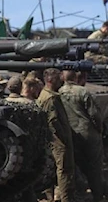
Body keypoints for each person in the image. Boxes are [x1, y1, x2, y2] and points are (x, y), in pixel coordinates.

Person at [58, 70, 108, 202]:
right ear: (75, 78)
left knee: (76, 165)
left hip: (71, 134)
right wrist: (99, 129)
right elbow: (95, 114)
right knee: (95, 166)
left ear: (63, 78)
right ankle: (98, 195)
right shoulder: (83, 92)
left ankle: (78, 193)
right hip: (89, 133)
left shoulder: (58, 93)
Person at [36, 68, 76, 202]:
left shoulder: (48, 95)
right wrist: (63, 138)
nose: (61, 81)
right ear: (50, 80)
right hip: (58, 141)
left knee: (55, 170)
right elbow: (52, 121)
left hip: (55, 139)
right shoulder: (50, 98)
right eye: (58, 79)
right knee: (64, 171)